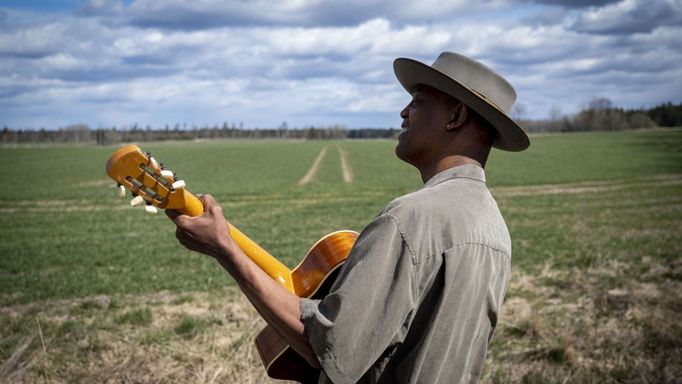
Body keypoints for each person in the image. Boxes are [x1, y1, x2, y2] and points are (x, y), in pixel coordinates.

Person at [166, 51, 529, 384]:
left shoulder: (409, 219)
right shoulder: (494, 226)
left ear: (456, 116)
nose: (404, 112)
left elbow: (327, 347)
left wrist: (225, 250)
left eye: (417, 101)